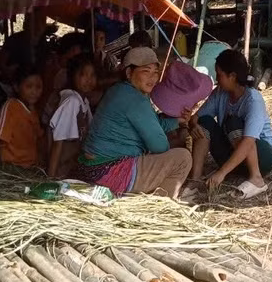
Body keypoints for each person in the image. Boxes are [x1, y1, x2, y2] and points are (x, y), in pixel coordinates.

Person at [73, 47, 192, 198]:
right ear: (129, 73)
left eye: (155, 72)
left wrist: (177, 121)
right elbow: (159, 146)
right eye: (146, 71)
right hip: (110, 173)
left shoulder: (119, 90)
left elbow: (154, 123)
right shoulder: (135, 99)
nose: (152, 78)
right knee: (182, 158)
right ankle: (161, 204)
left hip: (89, 169)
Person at [188, 49, 272, 199]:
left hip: (263, 157)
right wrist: (194, 125)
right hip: (234, 156)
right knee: (204, 122)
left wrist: (221, 172)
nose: (217, 79)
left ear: (232, 76)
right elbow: (196, 117)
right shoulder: (220, 93)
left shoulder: (253, 100)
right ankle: (195, 179)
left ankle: (256, 178)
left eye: (219, 75)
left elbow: (249, 141)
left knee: (233, 122)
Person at [0, 67, 45, 168]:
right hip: (13, 167)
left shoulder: (33, 110)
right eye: (29, 87)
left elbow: (39, 138)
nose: (34, 92)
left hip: (30, 166)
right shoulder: (11, 106)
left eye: (38, 87)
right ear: (16, 87)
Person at [48, 54, 96, 178]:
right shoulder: (72, 101)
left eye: (92, 75)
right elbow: (58, 141)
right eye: (83, 74)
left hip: (71, 163)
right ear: (72, 76)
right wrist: (51, 178)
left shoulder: (83, 101)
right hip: (61, 165)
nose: (88, 80)